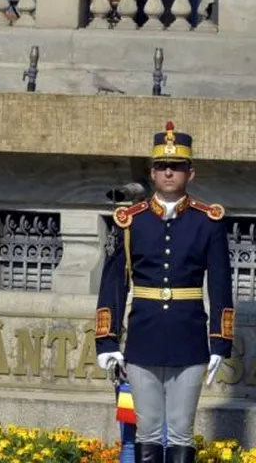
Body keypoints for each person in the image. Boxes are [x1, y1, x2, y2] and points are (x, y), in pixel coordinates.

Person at [94, 122, 232, 463]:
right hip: (143, 337)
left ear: (190, 173)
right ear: (152, 173)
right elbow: (114, 283)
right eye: (161, 166)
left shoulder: (207, 221)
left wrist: (220, 342)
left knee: (182, 434)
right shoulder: (131, 220)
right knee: (148, 434)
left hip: (189, 339)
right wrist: (107, 341)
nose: (169, 172)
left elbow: (219, 284)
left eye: (177, 167)